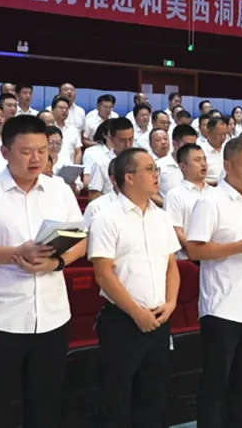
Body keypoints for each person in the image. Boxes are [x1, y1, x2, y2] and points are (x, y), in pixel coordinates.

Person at [0, 115, 87, 428]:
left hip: (53, 316)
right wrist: (15, 253)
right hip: (1, 319)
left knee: (46, 408)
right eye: (26, 152)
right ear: (5, 152)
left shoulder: (59, 191)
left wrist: (56, 263)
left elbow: (80, 241)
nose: (36, 158)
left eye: (42, 151)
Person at [88, 148, 180, 428]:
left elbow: (171, 264)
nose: (156, 175)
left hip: (159, 318)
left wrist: (171, 303)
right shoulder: (107, 217)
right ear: (129, 177)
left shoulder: (161, 216)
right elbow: (103, 274)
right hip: (123, 320)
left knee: (154, 398)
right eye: (149, 169)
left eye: (156, 169)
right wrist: (136, 313)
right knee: (116, 400)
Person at [186, 137, 242, 428]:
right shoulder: (210, 201)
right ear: (227, 165)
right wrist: (239, 247)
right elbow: (195, 250)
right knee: (215, 385)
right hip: (222, 307)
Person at [164, 143, 209, 255]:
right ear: (182, 167)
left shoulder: (215, 192)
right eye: (197, 160)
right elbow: (176, 231)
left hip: (216, 257)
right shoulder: (175, 195)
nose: (203, 164)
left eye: (204, 159)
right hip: (189, 258)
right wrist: (197, 252)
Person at [89, 118, 134, 200]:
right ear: (111, 139)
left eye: (130, 139)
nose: (128, 144)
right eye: (122, 140)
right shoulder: (101, 164)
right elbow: (93, 196)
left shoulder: (139, 162)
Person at [158, 124, 198, 200]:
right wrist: (167, 204)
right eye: (187, 145)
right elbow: (150, 193)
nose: (191, 149)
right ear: (174, 144)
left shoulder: (196, 165)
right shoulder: (160, 166)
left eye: (194, 145)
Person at [201, 116, 229, 186]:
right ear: (208, 132)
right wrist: (216, 184)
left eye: (225, 134)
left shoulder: (228, 148)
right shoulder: (201, 151)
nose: (223, 138)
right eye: (219, 134)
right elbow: (194, 177)